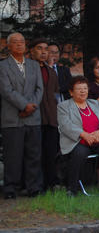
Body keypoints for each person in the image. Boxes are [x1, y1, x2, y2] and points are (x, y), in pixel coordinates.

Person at [57, 76, 99, 197]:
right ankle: (72, 189)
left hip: (98, 141)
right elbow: (65, 125)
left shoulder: (94, 104)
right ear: (71, 92)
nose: (83, 91)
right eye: (79, 88)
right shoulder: (64, 106)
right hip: (79, 142)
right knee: (78, 155)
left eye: (85, 88)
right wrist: (84, 135)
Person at [0, 33, 44, 199]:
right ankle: (11, 188)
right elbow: (6, 90)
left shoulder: (34, 65)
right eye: (15, 42)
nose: (19, 45)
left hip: (33, 117)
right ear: (9, 46)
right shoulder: (3, 66)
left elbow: (39, 89)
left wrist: (30, 106)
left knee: (33, 154)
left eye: (22, 42)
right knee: (13, 155)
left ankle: (34, 187)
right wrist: (24, 105)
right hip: (12, 118)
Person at [29, 38, 61, 191]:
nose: (43, 52)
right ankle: (37, 184)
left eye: (46, 49)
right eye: (39, 48)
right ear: (31, 51)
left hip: (51, 118)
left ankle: (52, 182)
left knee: (51, 152)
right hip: (34, 117)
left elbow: (56, 95)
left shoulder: (51, 71)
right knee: (35, 153)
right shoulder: (29, 69)